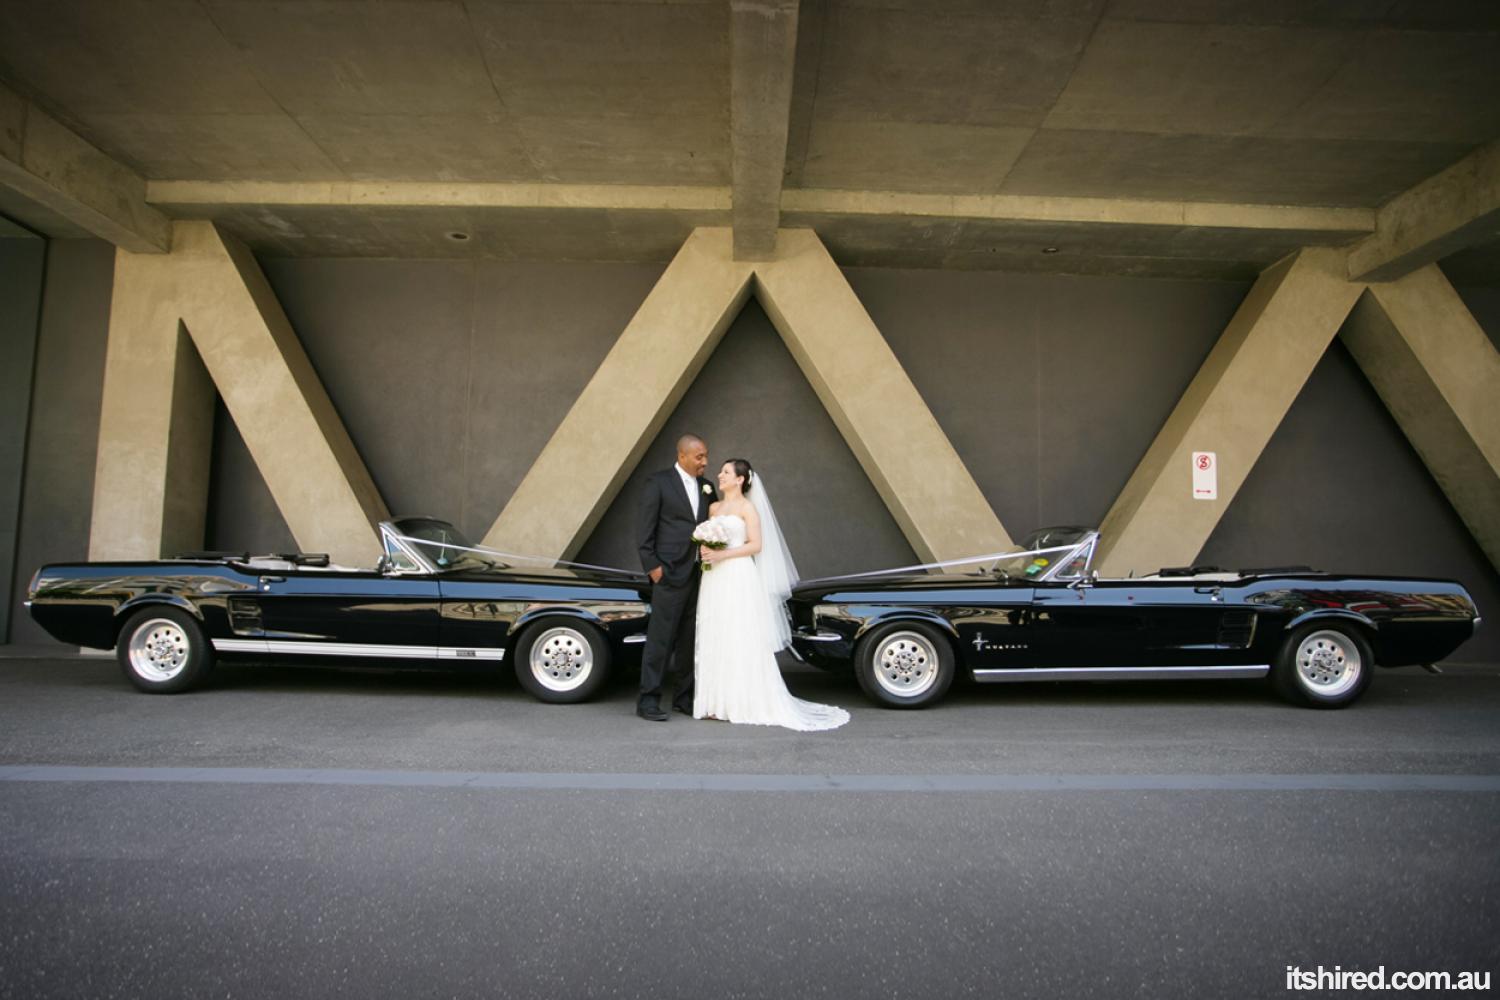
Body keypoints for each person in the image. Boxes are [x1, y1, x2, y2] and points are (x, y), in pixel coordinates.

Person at [694, 459, 848, 731]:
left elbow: (755, 545)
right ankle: (716, 703)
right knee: (715, 631)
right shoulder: (714, 507)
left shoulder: (747, 508)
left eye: (726, 472)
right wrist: (706, 551)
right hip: (713, 577)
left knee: (739, 634)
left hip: (737, 575)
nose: (720, 475)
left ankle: (743, 701)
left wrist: (722, 554)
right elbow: (708, 539)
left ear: (740, 479)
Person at [634, 434, 717, 721]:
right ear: (682, 456)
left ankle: (683, 699)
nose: (705, 462)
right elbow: (645, 529)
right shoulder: (658, 482)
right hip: (668, 572)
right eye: (699, 457)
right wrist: (653, 567)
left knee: (689, 640)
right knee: (660, 640)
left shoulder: (707, 487)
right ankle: (648, 701)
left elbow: (713, 524)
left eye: (705, 456)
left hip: (699, 574)